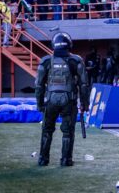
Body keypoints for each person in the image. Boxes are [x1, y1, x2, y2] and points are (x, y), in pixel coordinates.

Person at [35, 32, 89, 166]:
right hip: (69, 101)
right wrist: (84, 103)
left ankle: (43, 159)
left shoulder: (46, 61)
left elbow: (39, 85)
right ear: (69, 44)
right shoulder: (76, 60)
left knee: (47, 131)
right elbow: (84, 84)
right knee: (68, 132)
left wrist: (40, 104)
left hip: (51, 100)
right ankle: (66, 160)